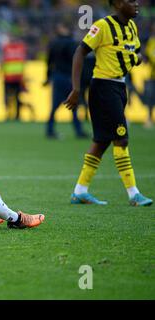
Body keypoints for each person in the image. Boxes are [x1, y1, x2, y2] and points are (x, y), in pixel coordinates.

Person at [64, 0, 152, 206]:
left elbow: (136, 53)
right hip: (103, 88)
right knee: (121, 139)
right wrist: (76, 89)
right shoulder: (102, 26)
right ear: (119, 4)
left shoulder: (131, 26)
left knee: (102, 141)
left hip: (120, 87)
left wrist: (135, 58)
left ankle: (80, 191)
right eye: (131, 1)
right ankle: (133, 194)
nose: (137, 3)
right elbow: (80, 52)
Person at [44, 22, 88, 139]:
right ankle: (78, 131)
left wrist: (47, 77)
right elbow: (77, 62)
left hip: (57, 77)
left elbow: (49, 62)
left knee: (55, 106)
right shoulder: (72, 43)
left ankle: (49, 129)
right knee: (73, 105)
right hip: (69, 77)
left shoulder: (53, 43)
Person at [0, 33, 27, 121]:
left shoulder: (6, 48)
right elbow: (24, 61)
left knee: (9, 97)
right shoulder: (21, 47)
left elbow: (2, 60)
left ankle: (10, 114)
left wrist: (1, 70)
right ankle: (16, 115)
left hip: (9, 77)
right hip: (17, 77)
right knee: (16, 97)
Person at [143, 23, 155, 128]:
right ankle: (149, 118)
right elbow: (149, 56)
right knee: (150, 97)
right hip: (153, 75)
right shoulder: (151, 41)